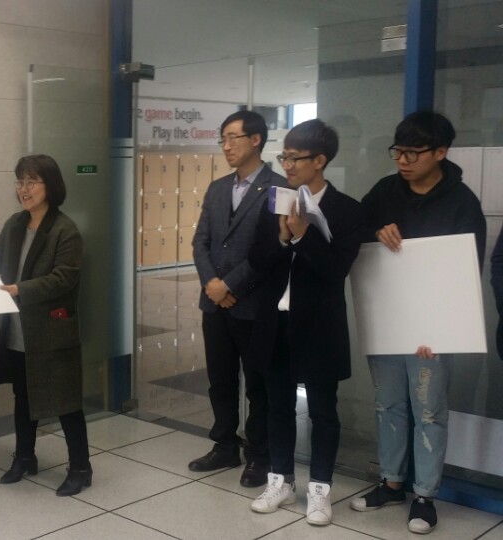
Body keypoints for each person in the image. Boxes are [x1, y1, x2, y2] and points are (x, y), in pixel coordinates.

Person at [350, 111, 486, 534]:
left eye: (413, 153)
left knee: (429, 411)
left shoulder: (462, 201)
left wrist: (442, 330)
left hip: (432, 330)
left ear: (440, 153)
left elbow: (465, 272)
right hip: (388, 320)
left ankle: (425, 495)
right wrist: (376, 230)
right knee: (388, 404)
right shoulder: (385, 191)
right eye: (398, 151)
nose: (403, 161)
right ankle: (391, 483)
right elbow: (354, 231)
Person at [243, 120, 362, 526]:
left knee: (323, 412)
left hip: (319, 327)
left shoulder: (347, 210)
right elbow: (256, 260)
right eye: (285, 157)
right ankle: (280, 481)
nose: (288, 165)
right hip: (275, 322)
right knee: (277, 407)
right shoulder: (276, 201)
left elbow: (336, 269)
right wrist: (280, 239)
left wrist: (301, 236)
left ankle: (320, 490)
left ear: (320, 160)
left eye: (295, 158)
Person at [190, 110, 288, 488]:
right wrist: (212, 284)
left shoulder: (278, 189)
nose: (226, 146)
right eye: (223, 139)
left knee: (259, 384)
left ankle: (259, 454)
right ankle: (224, 445)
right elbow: (200, 242)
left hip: (254, 305)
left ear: (256, 140)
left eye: (233, 138)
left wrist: (230, 286)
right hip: (214, 304)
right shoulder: (217, 188)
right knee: (220, 379)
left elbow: (271, 251)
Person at [0, 154, 92, 497]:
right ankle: (25, 457)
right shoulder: (15, 223)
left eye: (32, 181)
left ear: (51, 186)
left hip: (50, 331)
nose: (24, 189)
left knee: (65, 401)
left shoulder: (65, 230)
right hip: (17, 329)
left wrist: (21, 289)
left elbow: (64, 278)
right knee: (23, 396)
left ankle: (81, 468)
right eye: (20, 181)